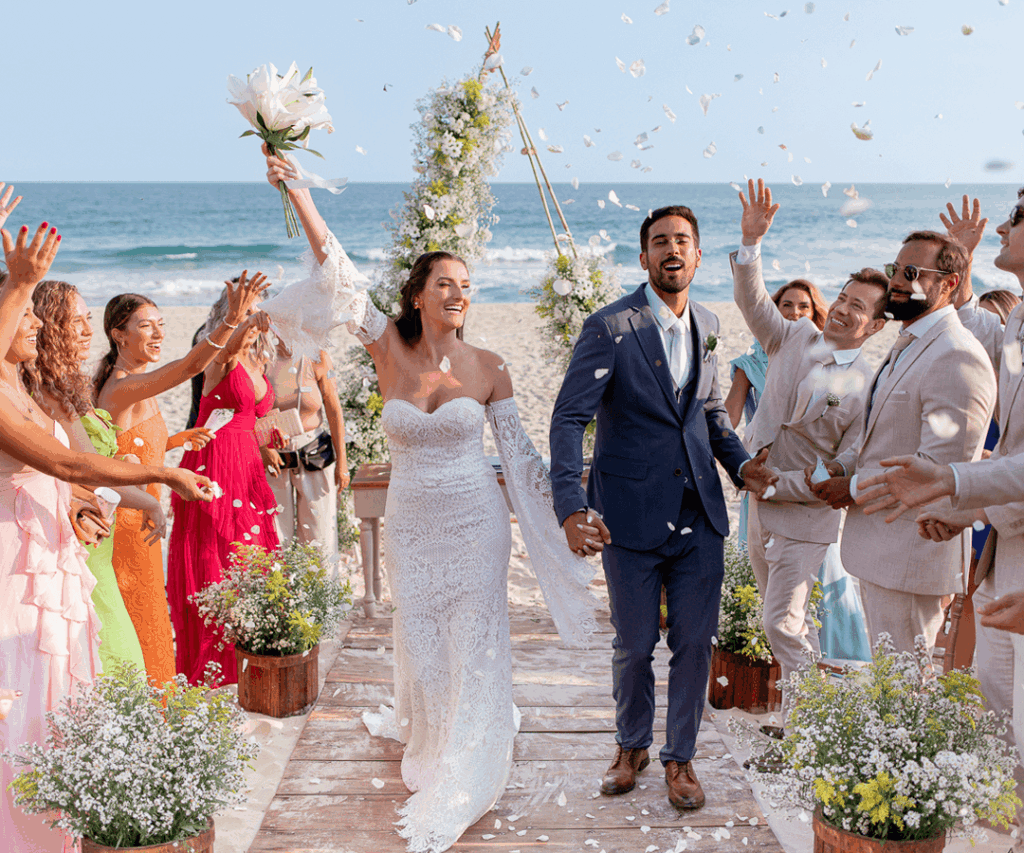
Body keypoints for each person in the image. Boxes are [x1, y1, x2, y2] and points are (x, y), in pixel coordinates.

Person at [262, 145, 601, 853]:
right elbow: (338, 269)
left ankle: (468, 756)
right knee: (424, 638)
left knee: (474, 638)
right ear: (417, 294)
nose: (458, 293)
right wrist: (298, 192)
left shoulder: (492, 367)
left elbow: (523, 460)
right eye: (444, 282)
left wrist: (567, 514)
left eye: (467, 285)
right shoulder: (387, 346)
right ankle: (433, 733)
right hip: (413, 523)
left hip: (477, 521)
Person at [548, 203, 777, 812]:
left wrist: (741, 465)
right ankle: (631, 746)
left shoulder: (707, 321)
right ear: (644, 256)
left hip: (699, 512)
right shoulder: (609, 327)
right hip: (627, 514)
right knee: (633, 642)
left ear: (699, 256)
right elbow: (569, 418)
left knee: (695, 644)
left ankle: (680, 758)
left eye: (683, 241)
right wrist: (570, 504)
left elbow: (707, 413)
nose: (671, 250)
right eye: (659, 241)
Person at [0, 220, 213, 853]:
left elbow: (63, 472)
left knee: (65, 694)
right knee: (25, 704)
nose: (38, 326)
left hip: (61, 558)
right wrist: (160, 472)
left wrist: (74, 498)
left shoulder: (30, 391)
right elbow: (66, 461)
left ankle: (69, 831)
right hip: (19, 566)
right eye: (28, 319)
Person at [731, 179, 886, 711]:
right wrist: (751, 246)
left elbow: (848, 459)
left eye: (859, 307)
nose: (843, 309)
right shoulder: (793, 336)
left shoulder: (868, 384)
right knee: (784, 621)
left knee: (781, 621)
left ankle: (806, 727)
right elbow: (753, 305)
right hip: (756, 504)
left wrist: (782, 483)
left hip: (805, 515)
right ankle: (809, 712)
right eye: (843, 297)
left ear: (878, 323)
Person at [811, 229, 996, 655]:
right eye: (895, 269)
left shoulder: (956, 354)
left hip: (914, 554)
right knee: (887, 691)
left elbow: (938, 469)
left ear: (948, 283)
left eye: (911, 272)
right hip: (881, 552)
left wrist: (852, 489)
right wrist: (844, 466)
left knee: (905, 693)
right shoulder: (909, 343)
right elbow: (883, 437)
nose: (895, 280)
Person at [93, 276, 268, 686]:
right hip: (128, 523)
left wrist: (173, 441)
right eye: (145, 326)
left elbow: (124, 446)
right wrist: (230, 319)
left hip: (144, 519)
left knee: (153, 617)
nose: (158, 334)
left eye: (161, 324)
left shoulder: (136, 384)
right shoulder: (123, 387)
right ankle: (148, 710)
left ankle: (156, 709)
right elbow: (191, 365)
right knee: (141, 620)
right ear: (119, 334)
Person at [29, 279, 168, 673]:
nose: (88, 331)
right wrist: (156, 489)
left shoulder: (69, 387)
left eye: (90, 319)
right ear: (50, 325)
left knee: (115, 652)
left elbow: (85, 464)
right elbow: (78, 468)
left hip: (98, 529)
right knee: (116, 657)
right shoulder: (46, 392)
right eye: (77, 321)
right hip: (83, 535)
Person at [166, 291, 276, 685]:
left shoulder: (260, 360)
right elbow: (229, 350)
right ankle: (218, 665)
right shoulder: (216, 356)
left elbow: (254, 415)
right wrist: (240, 322)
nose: (254, 318)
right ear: (227, 317)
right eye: (245, 312)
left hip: (247, 462)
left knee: (254, 556)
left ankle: (254, 650)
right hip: (215, 460)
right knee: (219, 555)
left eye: (256, 311)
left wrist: (269, 441)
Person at [264, 336, 349, 564]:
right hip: (274, 457)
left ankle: (322, 596)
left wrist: (343, 463)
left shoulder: (316, 356)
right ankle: (279, 597)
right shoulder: (261, 357)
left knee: (319, 533)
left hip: (314, 452)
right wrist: (261, 446)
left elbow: (334, 410)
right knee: (275, 535)